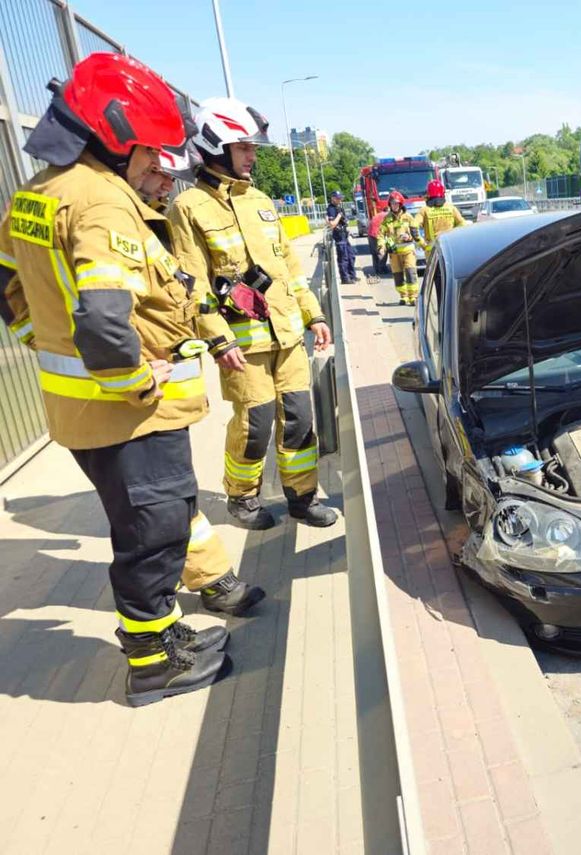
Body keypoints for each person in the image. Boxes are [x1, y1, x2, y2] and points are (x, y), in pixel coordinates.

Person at [0, 53, 230, 705]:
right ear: (111, 139)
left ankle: (165, 635)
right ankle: (154, 661)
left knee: (158, 522)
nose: (163, 172)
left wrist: (39, 341)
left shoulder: (37, 194)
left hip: (83, 414)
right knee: (153, 533)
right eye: (152, 158)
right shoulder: (102, 204)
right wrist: (135, 379)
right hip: (129, 413)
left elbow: (5, 277)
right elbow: (104, 320)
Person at [167, 96, 338, 531]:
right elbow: (194, 286)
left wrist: (314, 315)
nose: (252, 156)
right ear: (216, 146)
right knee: (255, 424)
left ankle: (302, 496)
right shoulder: (188, 208)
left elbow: (289, 269)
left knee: (299, 420)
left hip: (287, 336)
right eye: (244, 148)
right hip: (242, 347)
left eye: (252, 148)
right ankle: (242, 498)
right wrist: (217, 339)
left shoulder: (261, 200)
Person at [136, 132, 266, 617]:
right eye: (156, 171)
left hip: (161, 385)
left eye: (169, 173)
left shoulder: (148, 220)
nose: (165, 182)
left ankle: (210, 581)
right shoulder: (115, 218)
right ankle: (166, 623)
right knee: (157, 501)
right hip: (132, 389)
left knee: (173, 492)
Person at [380, 190, 420, 305]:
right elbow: (381, 234)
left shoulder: (408, 217)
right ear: (390, 205)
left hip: (408, 250)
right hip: (394, 252)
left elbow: (415, 233)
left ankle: (413, 297)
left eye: (396, 203)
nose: (394, 206)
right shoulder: (387, 219)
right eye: (392, 204)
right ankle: (403, 296)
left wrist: (409, 237)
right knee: (398, 275)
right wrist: (381, 247)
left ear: (401, 204)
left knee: (410, 272)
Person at [417, 179, 466, 253]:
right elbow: (463, 224)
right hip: (450, 247)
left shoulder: (424, 210)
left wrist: (422, 244)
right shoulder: (451, 208)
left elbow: (413, 226)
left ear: (428, 193)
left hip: (432, 251)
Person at [326, 190, 358, 284]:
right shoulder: (331, 209)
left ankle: (352, 276)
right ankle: (345, 278)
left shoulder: (339, 207)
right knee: (343, 258)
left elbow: (344, 221)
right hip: (339, 237)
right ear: (333, 198)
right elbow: (332, 224)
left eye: (340, 198)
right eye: (338, 198)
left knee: (351, 256)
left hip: (344, 235)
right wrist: (339, 216)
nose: (340, 200)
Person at [367, 206, 386, 277]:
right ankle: (381, 268)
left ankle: (376, 269)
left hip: (370, 233)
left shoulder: (379, 214)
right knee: (382, 250)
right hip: (376, 233)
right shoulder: (387, 215)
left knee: (374, 252)